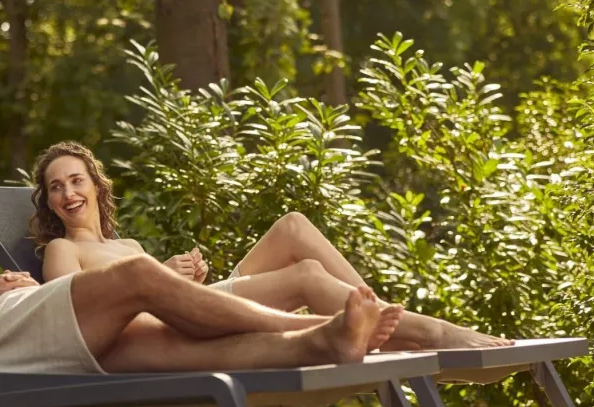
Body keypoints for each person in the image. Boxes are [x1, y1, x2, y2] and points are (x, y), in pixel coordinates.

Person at [0, 126, 403, 376]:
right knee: (136, 277)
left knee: (173, 341)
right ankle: (322, 329)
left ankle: (323, 340)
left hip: (18, 321)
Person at [32, 141, 513, 352]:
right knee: (305, 275)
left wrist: (181, 276)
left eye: (76, 180)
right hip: (176, 325)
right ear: (50, 202)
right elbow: (78, 312)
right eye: (56, 188)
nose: (69, 193)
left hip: (189, 304)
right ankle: (429, 331)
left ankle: (379, 318)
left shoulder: (127, 243)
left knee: (293, 226)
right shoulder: (60, 249)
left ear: (96, 186)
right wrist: (166, 285)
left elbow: (140, 286)